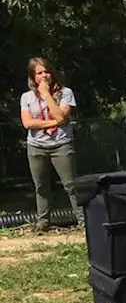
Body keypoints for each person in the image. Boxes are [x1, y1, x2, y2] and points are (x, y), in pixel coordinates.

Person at [20, 57, 84, 232]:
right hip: (36, 146)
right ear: (33, 77)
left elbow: (61, 115)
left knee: (70, 185)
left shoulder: (66, 93)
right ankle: (43, 223)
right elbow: (27, 123)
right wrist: (56, 122)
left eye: (47, 71)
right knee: (41, 186)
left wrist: (47, 95)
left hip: (61, 144)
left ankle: (83, 221)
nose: (44, 75)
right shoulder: (26, 97)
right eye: (39, 73)